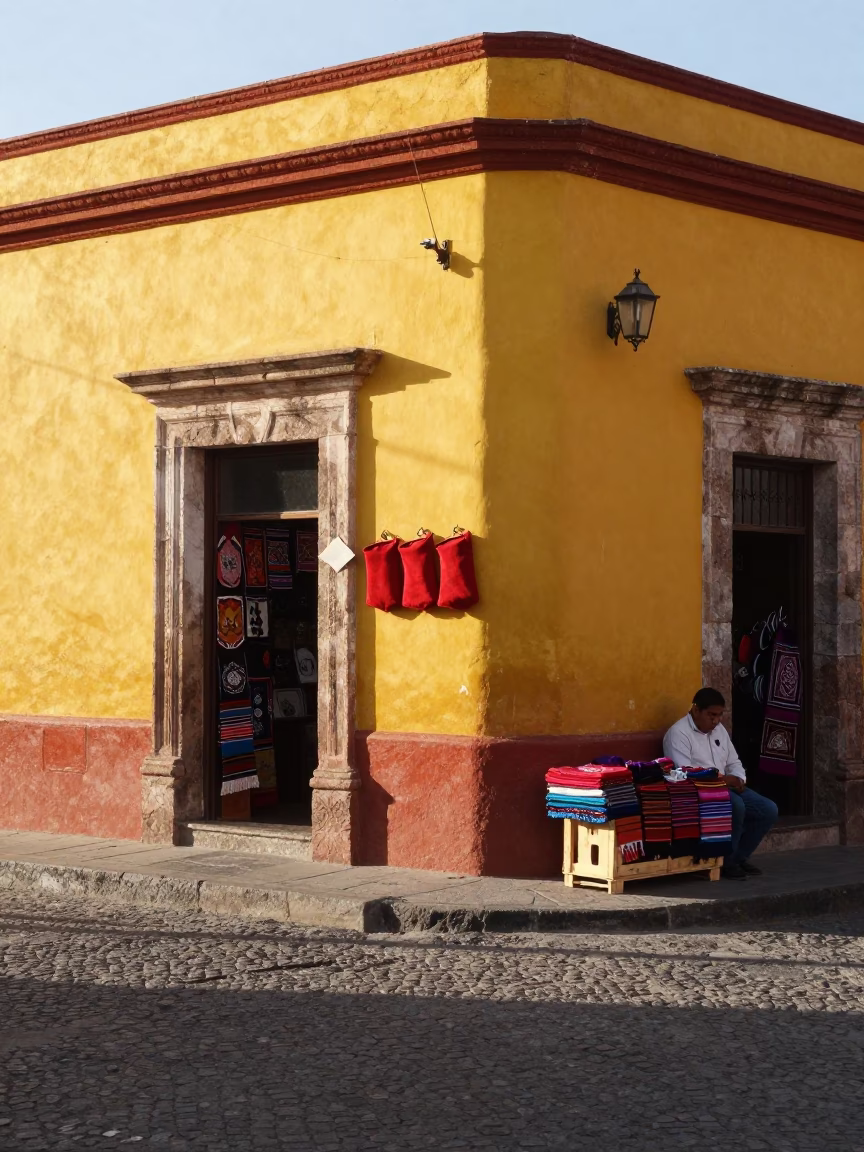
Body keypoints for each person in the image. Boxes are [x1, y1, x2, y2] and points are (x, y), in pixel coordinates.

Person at [663, 687, 778, 880]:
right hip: (700, 791)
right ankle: (727, 862)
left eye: (719, 715)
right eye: (711, 715)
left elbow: (734, 761)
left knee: (768, 809)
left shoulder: (719, 731)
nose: (715, 720)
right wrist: (724, 781)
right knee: (736, 805)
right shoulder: (678, 734)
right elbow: (685, 773)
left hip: (727, 786)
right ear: (696, 710)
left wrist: (739, 779)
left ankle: (738, 857)